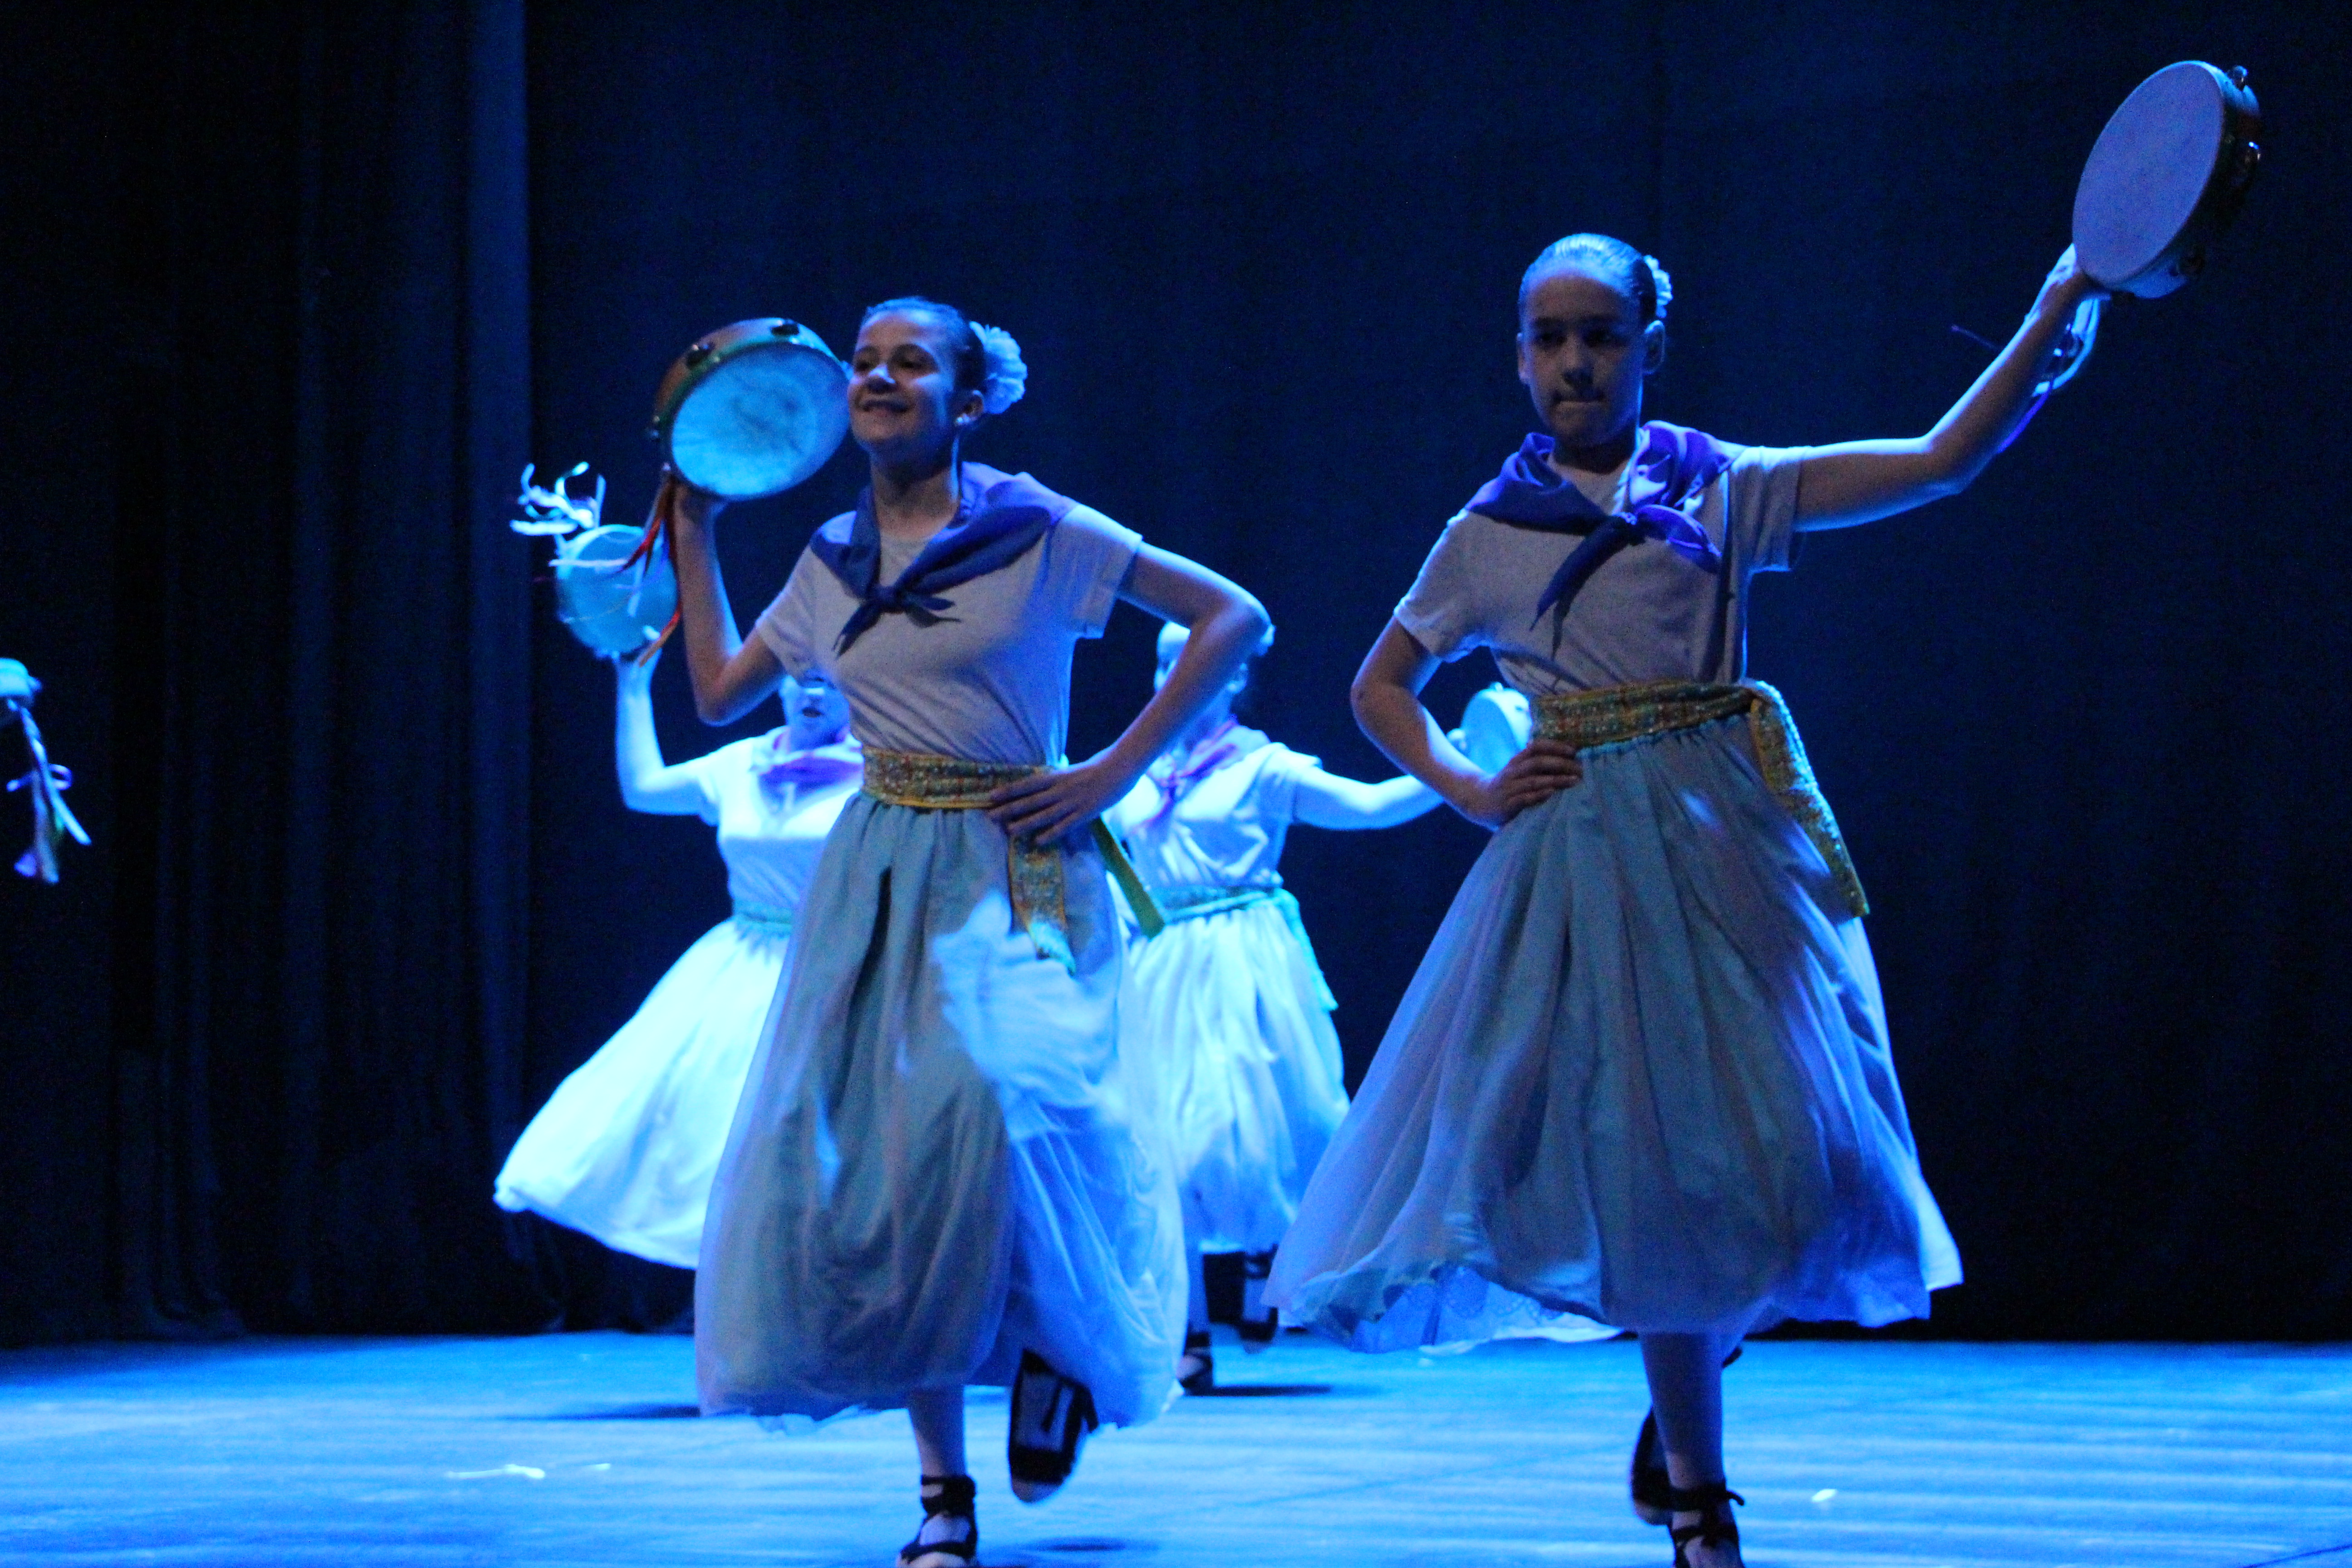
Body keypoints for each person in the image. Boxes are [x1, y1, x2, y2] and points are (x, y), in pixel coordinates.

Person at [1267, 235, 2108, 1568]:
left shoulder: (1720, 487)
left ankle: (1687, 1384)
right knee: (1648, 1175)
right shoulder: (1486, 533)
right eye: (1549, 337)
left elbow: (1940, 460)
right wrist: (1469, 786)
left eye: (1601, 336)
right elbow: (1379, 685)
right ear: (1519, 356)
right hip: (1582, 860)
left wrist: (2053, 314)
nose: (1575, 362)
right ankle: (1703, 1501)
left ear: (1650, 346)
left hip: (1726, 846)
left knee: (1798, 1165)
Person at [665, 297, 1268, 1568]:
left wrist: (1107, 772)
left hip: (1017, 859)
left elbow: (1233, 619)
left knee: (1021, 1134)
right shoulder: (832, 559)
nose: (880, 378)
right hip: (883, 872)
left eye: (911, 362)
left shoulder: (1035, 529)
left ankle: (1058, 1355)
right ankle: (944, 1489)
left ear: (970, 398)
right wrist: (697, 530)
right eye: (864, 362)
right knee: (900, 1167)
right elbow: (719, 694)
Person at [1104, 621, 1447, 1392]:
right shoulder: (1133, 771)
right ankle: (1188, 1333)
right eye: (1162, 665)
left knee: (1237, 1142)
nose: (1171, 678)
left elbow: (1368, 807)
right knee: (1158, 1153)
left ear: (1231, 678)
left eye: (1190, 664)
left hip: (1239, 965)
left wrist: (1459, 764)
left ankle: (1268, 1258)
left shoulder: (1262, 768)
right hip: (1156, 965)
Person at [495, 649, 858, 1270]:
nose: (815, 694)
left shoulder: (878, 776)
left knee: (811, 1142)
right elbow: (643, 789)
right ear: (778, 688)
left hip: (832, 967)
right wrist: (633, 687)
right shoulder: (740, 764)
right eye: (803, 680)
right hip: (742, 964)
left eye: (831, 683)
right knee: (705, 1132)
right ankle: (737, 1293)